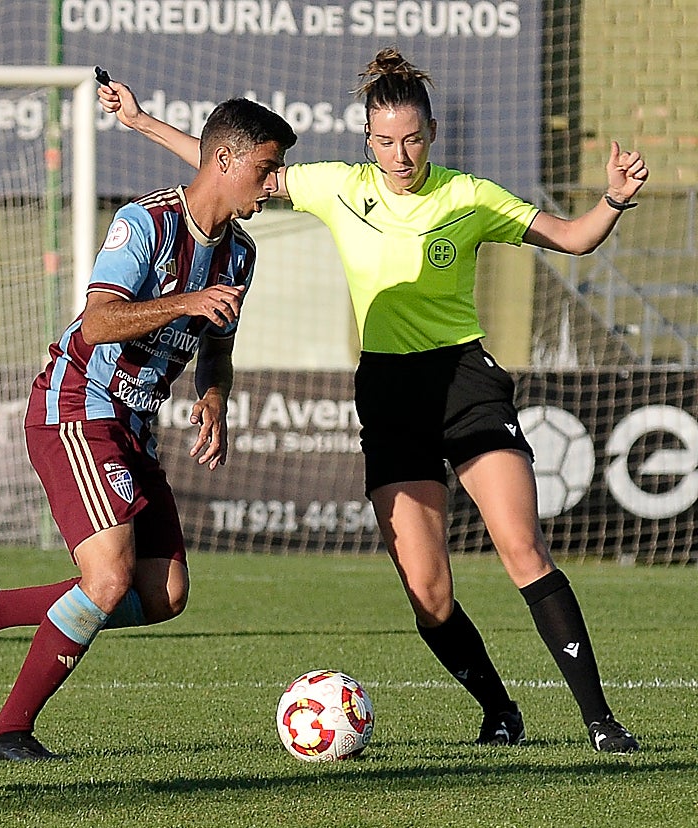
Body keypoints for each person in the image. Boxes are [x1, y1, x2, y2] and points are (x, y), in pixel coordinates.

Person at [96, 49, 645, 754]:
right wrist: (140, 121)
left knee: (522, 549)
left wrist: (614, 199)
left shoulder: (468, 197)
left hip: (465, 385)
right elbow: (227, 166)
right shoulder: (337, 186)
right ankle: (500, 711)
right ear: (366, 140)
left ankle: (602, 723)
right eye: (384, 140)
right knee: (429, 593)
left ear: (433, 133)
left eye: (411, 138)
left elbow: (572, 238)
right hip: (386, 394)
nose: (399, 153)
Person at [0, 98, 297, 760]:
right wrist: (186, 301)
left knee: (164, 594)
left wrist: (213, 398)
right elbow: (99, 322)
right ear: (224, 159)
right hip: (78, 404)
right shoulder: (146, 223)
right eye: (267, 169)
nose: (274, 185)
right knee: (106, 579)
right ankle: (7, 731)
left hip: (133, 423)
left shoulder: (240, 255)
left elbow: (216, 349)